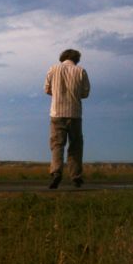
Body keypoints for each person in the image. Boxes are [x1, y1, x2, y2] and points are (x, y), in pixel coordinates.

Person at [44, 48, 90, 189]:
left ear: (62, 57)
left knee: (57, 145)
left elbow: (47, 89)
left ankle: (56, 172)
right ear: (76, 59)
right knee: (75, 145)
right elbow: (85, 93)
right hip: (75, 113)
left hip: (56, 113)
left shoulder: (53, 69)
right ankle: (76, 176)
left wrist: (57, 94)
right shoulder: (81, 71)